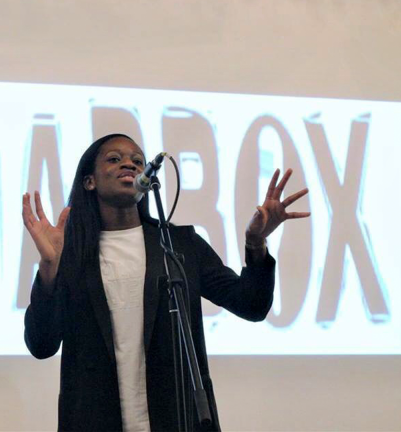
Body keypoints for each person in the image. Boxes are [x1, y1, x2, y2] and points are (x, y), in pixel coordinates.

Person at [22, 133, 310, 431]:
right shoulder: (73, 255)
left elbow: (251, 305)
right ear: (89, 181)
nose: (130, 165)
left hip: (178, 421)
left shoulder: (180, 245)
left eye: (138, 161)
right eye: (114, 159)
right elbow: (41, 344)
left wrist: (255, 243)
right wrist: (49, 268)